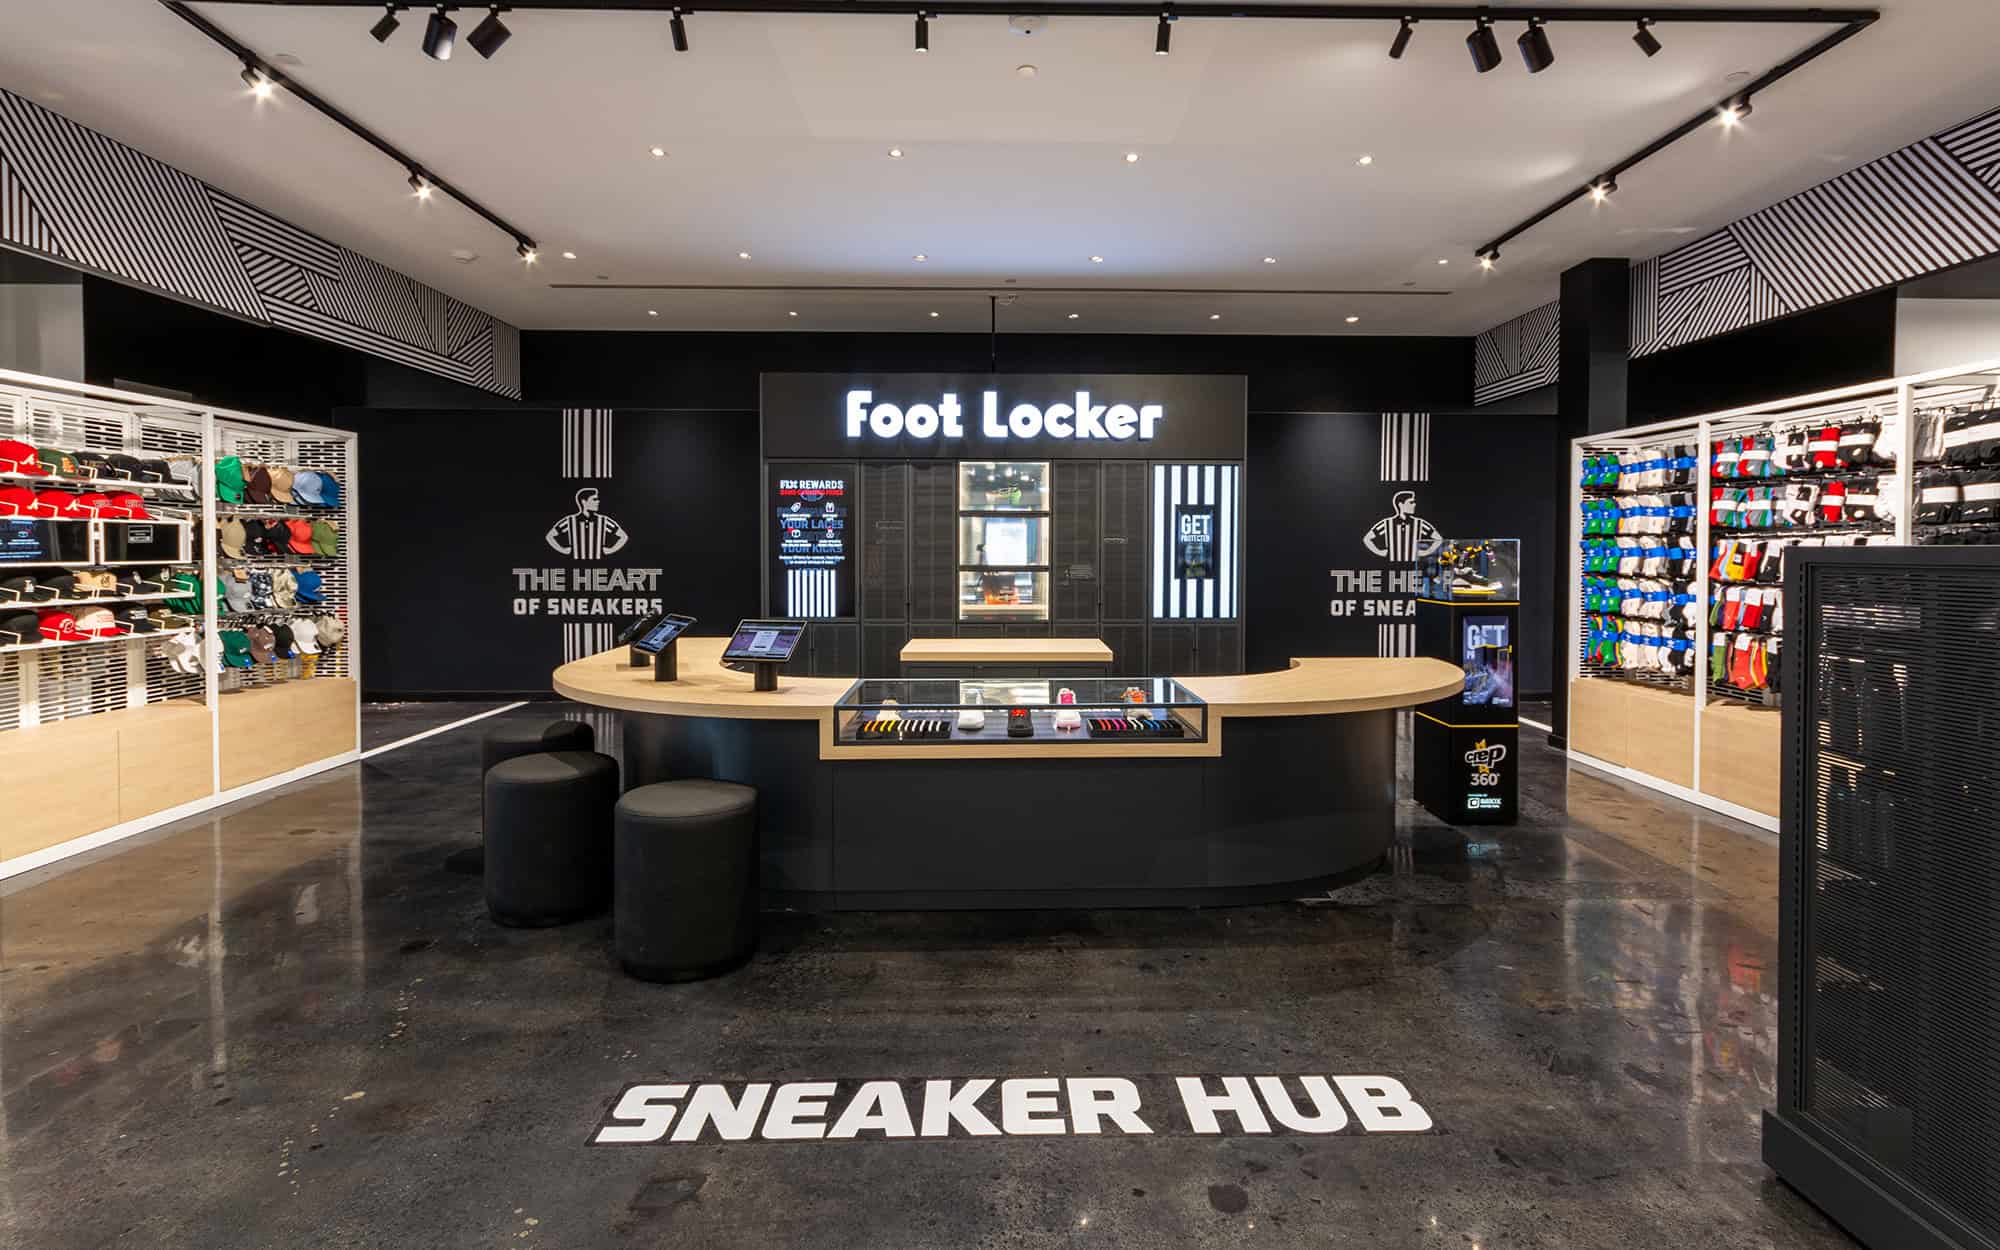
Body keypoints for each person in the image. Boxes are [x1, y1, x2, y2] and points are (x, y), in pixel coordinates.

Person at [546, 487, 629, 558]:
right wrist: (563, 550)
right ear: (583, 501)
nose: (598, 501)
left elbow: (623, 536)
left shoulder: (603, 521)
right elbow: (550, 536)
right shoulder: (570, 520)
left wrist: (611, 550)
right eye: (594, 499)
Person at [1364, 490, 1443, 562]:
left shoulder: (1419, 523)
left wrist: (1425, 552)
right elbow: (1367, 539)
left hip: (1413, 568)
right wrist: (1380, 552)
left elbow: (1438, 539)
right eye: (1411, 502)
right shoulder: (1387, 523)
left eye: (1414, 502)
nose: (1414, 505)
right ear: (1401, 505)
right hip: (1390, 567)